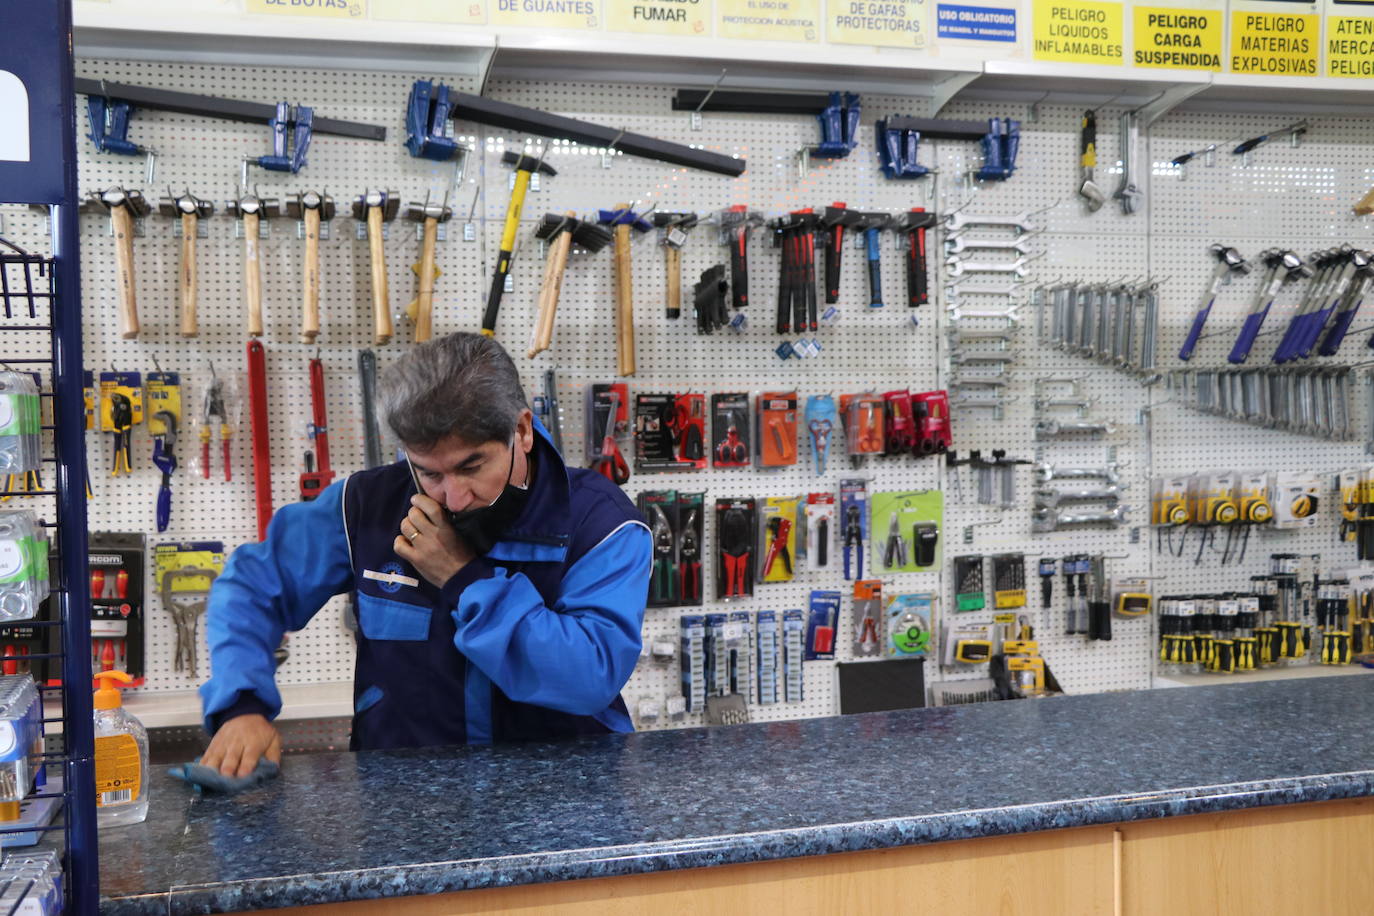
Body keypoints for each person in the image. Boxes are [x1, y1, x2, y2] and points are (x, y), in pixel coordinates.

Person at [198, 333, 651, 778]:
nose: (453, 498)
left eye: (471, 467)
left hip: (568, 800)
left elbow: (589, 675)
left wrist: (463, 579)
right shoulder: (366, 506)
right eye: (429, 472)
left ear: (522, 430)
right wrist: (241, 705)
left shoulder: (601, 523)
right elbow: (252, 587)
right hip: (404, 801)